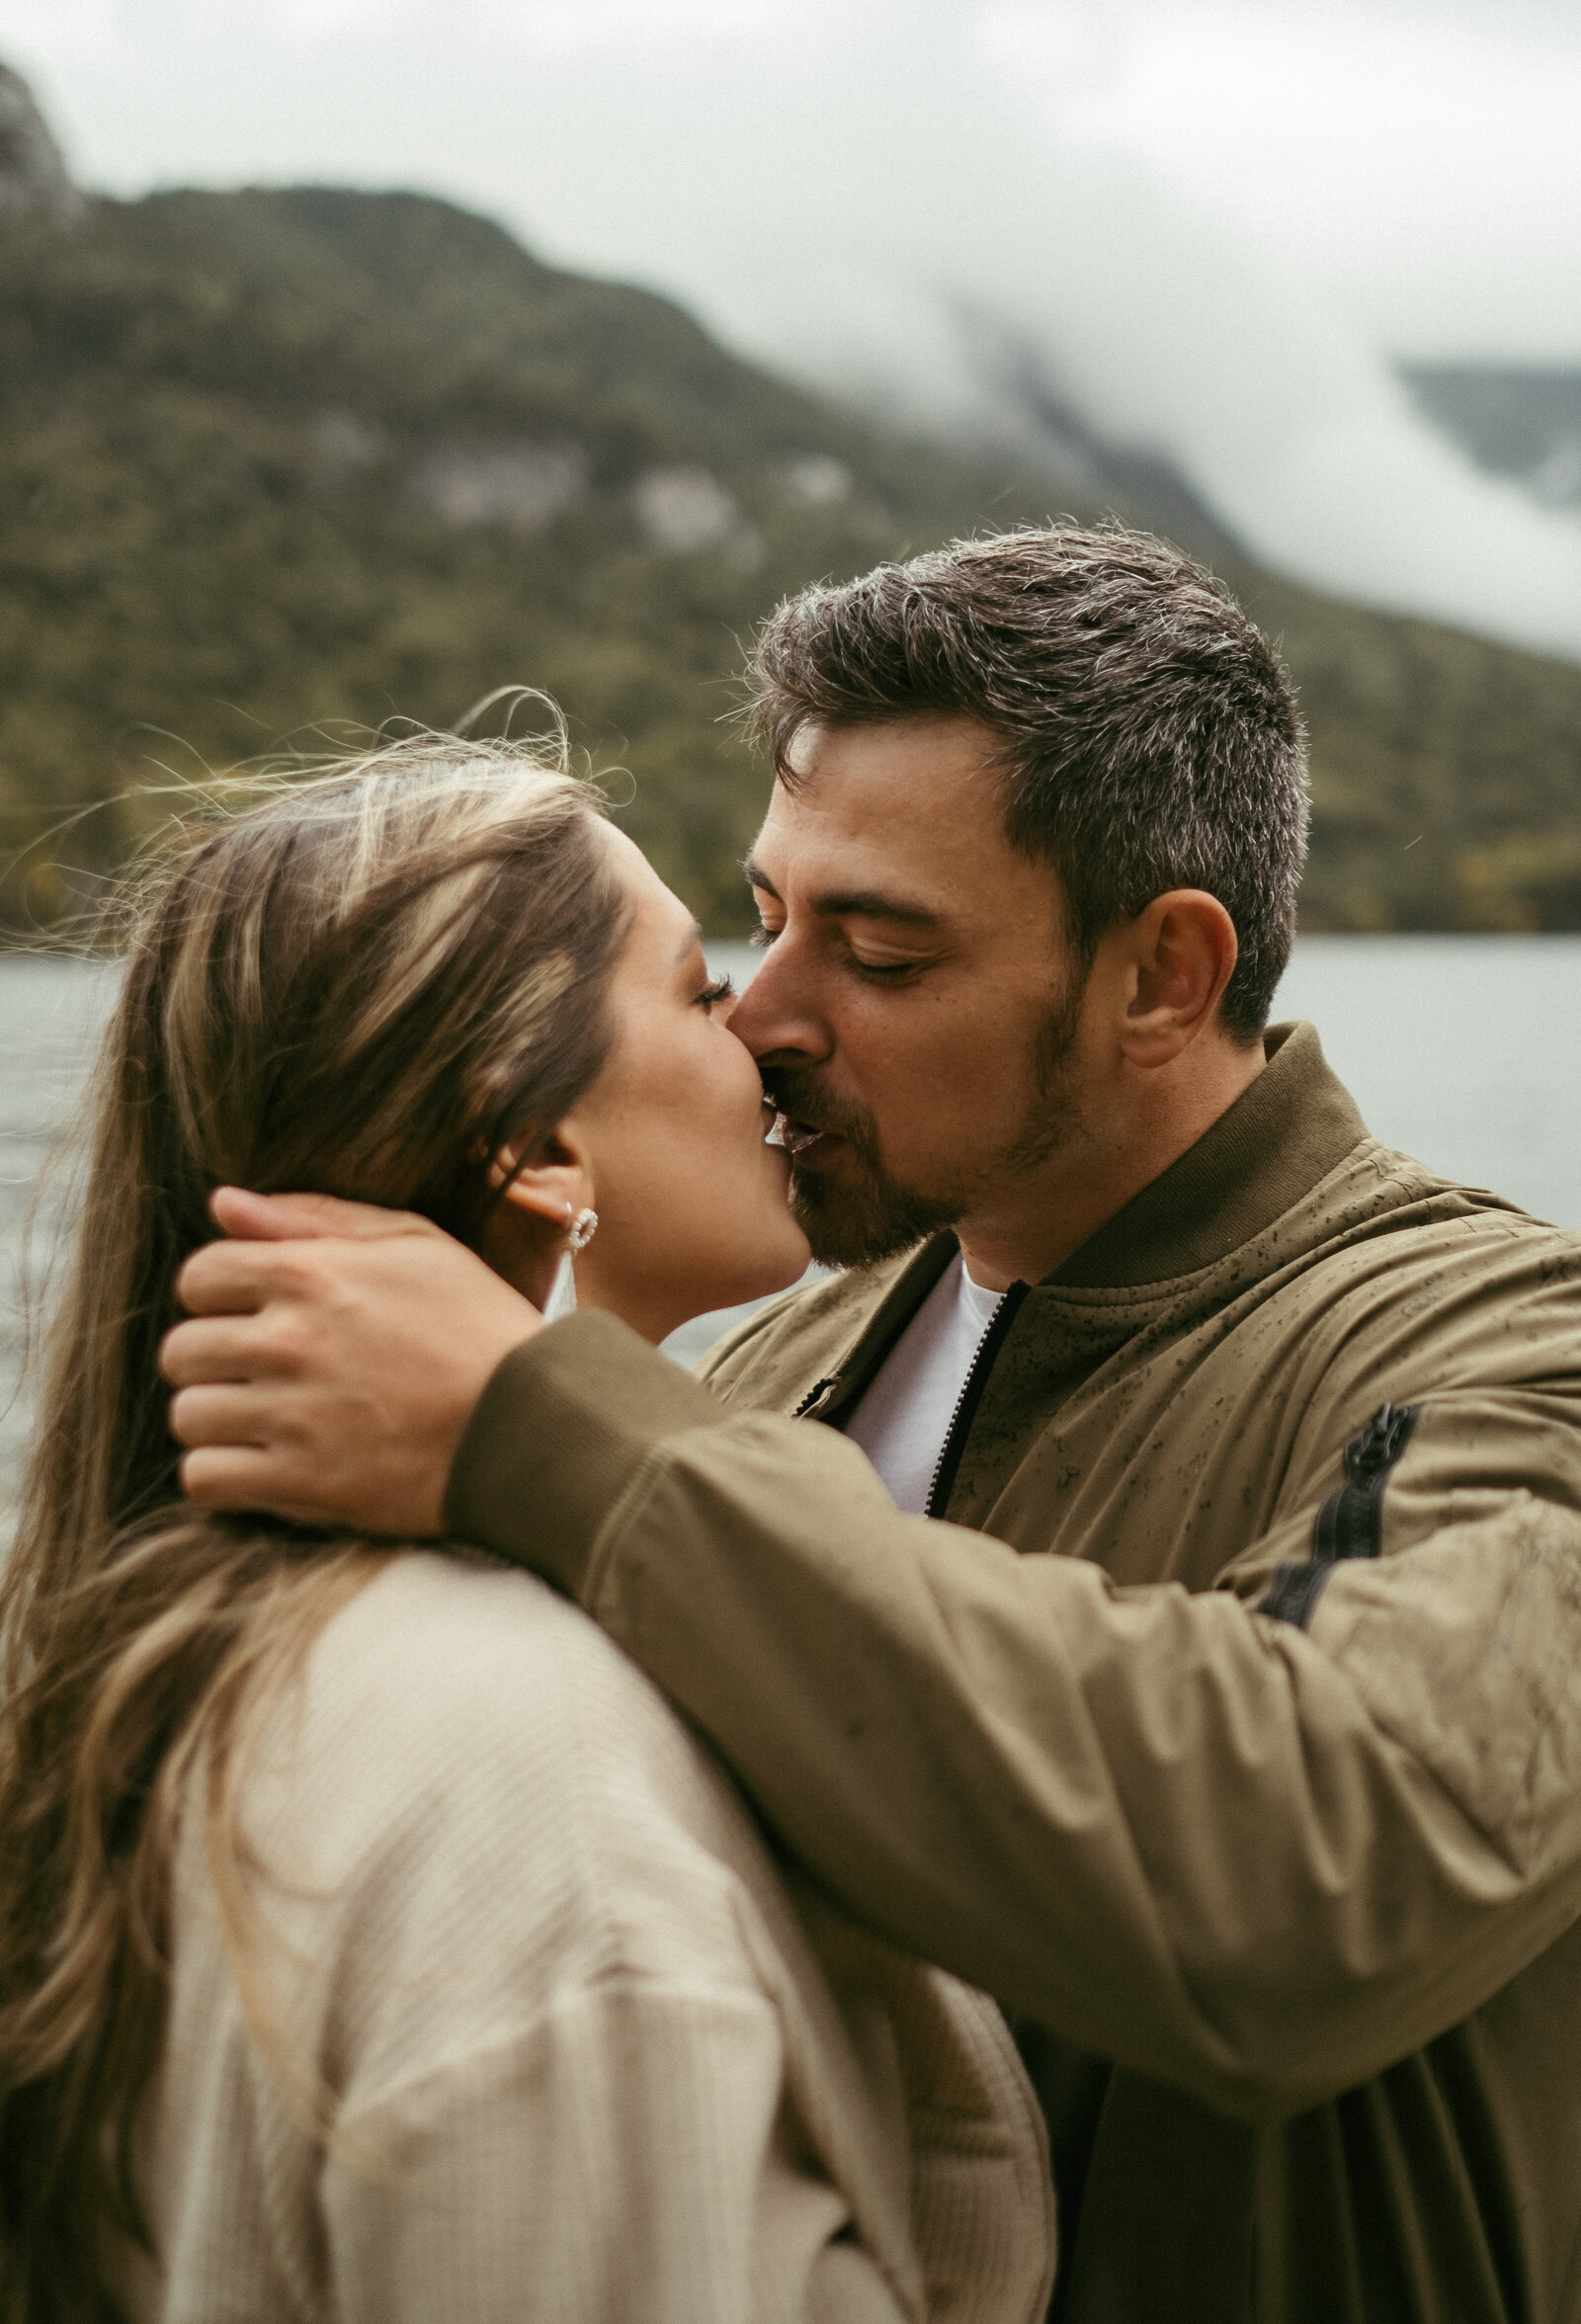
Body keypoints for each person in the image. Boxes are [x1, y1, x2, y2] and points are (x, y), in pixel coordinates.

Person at [163, 530, 1581, 2324]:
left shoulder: (1512, 1349)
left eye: (878, 952)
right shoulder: (775, 1365)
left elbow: (1313, 1868)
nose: (762, 1016)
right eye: (765, 916)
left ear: (1162, 976)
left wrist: (547, 1425)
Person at [0, 736, 1056, 2324]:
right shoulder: (547, 1789)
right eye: (701, 991)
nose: (766, 1030)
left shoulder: (157, 1662)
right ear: (540, 1150)